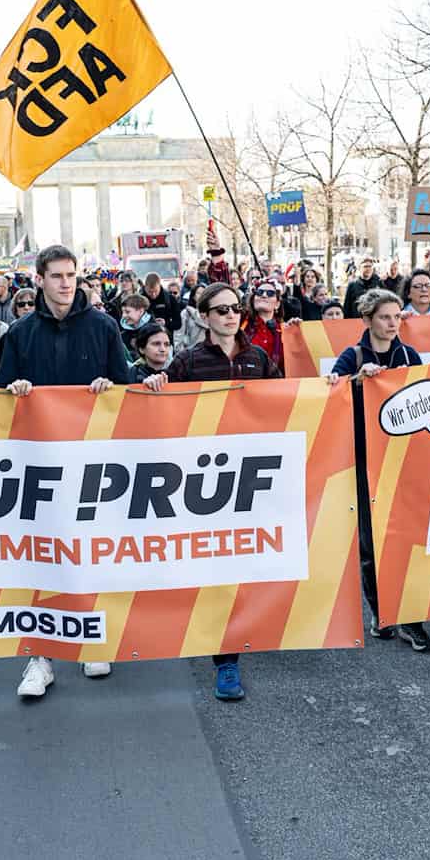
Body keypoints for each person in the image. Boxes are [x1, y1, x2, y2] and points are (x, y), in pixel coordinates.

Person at [0, 245, 131, 698]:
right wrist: (14, 390)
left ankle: (92, 638)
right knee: (39, 557)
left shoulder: (103, 326)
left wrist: (110, 388)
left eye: (71, 274)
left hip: (92, 461)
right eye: (56, 276)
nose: (65, 283)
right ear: (39, 280)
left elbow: (125, 390)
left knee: (89, 550)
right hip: (37, 462)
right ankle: (40, 657)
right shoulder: (19, 333)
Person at [144, 282, 281, 701]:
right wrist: (157, 386)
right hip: (207, 485)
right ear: (204, 317)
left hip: (253, 480)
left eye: (234, 308)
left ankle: (252, 630)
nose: (229, 315)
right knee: (219, 571)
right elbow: (163, 409)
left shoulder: (259, 358)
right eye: (220, 310)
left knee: (251, 566)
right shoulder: (187, 362)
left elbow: (289, 402)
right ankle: (227, 661)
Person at [327, 289, 430, 652]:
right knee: (372, 543)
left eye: (397, 318)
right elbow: (330, 396)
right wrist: (356, 380)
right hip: (364, 459)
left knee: (408, 536)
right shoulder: (352, 356)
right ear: (368, 320)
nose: (392, 324)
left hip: (404, 458)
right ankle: (381, 612)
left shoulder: (408, 355)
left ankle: (411, 617)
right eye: (386, 317)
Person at [241, 279, 285, 372]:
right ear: (253, 300)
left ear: (277, 304)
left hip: (277, 383)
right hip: (246, 381)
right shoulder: (240, 322)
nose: (264, 295)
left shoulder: (285, 330)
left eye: (270, 293)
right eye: (259, 292)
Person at [177, 284, 208, 352]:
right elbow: (179, 335)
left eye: (204, 293)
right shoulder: (186, 313)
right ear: (193, 296)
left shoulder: (211, 314)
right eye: (199, 293)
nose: (202, 295)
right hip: (190, 353)